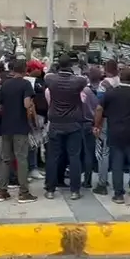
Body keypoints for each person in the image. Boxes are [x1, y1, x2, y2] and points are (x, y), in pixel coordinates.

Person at [93, 67, 130, 205]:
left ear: (120, 78)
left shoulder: (110, 94)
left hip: (115, 132)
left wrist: (97, 125)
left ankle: (118, 194)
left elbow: (99, 109)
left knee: (117, 163)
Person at [44, 54, 87, 199]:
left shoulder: (51, 79)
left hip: (56, 122)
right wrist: (81, 66)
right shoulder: (78, 81)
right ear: (71, 65)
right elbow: (85, 77)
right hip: (73, 122)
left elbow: (47, 73)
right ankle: (75, 191)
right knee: (74, 157)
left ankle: (50, 190)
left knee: (53, 157)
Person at [0, 59, 38, 203]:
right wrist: (31, 106)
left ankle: (2, 191)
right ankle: (23, 192)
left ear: (13, 70)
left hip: (6, 126)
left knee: (5, 159)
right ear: (25, 70)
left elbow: (1, 104)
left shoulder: (5, 84)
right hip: (20, 126)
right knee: (21, 159)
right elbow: (26, 104)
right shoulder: (26, 84)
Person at [92, 59, 120, 195]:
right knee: (118, 152)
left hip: (106, 121)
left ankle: (102, 183)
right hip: (120, 121)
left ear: (106, 69)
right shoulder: (121, 82)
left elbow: (100, 107)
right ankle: (117, 182)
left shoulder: (104, 84)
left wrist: (97, 124)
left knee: (104, 152)